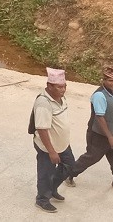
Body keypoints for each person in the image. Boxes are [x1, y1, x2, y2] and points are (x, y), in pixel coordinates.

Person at [67, 66, 113, 191]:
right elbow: (100, 117)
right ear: (103, 81)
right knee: (92, 157)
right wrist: (110, 138)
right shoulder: (99, 95)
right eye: (110, 81)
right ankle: (69, 174)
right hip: (100, 135)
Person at [32, 68, 75, 213]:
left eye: (64, 86)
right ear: (49, 86)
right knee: (46, 173)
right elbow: (42, 129)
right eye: (59, 87)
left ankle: (51, 188)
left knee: (69, 166)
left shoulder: (61, 98)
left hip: (62, 144)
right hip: (48, 148)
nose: (63, 90)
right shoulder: (43, 103)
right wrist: (51, 151)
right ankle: (42, 199)